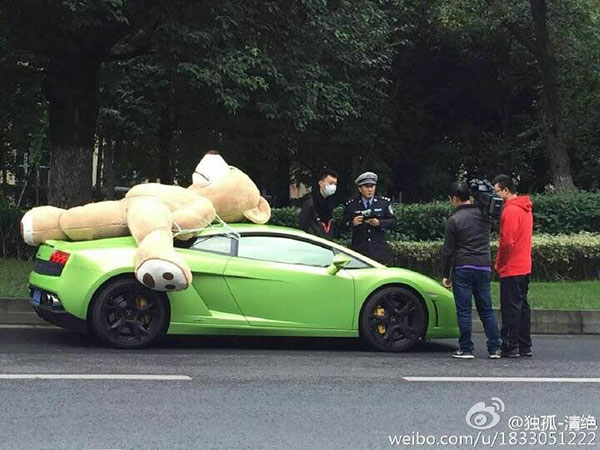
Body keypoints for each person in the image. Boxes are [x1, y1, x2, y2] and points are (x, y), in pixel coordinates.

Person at [441, 182, 501, 359]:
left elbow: (448, 251)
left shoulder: (454, 220)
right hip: (483, 266)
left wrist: (446, 274)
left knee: (465, 310)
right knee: (486, 309)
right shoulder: (483, 215)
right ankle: (495, 347)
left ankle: (466, 348)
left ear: (455, 199)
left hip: (463, 267)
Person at [493, 174, 534, 358]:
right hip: (524, 264)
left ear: (506, 190)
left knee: (510, 307)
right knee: (522, 305)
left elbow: (507, 242)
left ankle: (510, 345)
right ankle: (525, 344)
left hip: (511, 266)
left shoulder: (510, 211)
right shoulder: (525, 208)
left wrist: (499, 262)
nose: (496, 196)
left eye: (497, 191)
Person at [342, 171, 396, 264]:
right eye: (366, 187)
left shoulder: (383, 203)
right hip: (359, 252)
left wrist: (379, 223)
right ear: (360, 188)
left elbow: (393, 221)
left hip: (378, 251)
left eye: (372, 186)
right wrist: (352, 223)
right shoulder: (352, 205)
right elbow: (343, 224)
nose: (370, 190)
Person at [299, 169, 339, 239]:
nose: (333, 187)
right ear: (321, 183)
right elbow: (303, 225)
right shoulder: (310, 202)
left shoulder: (330, 202)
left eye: (335, 184)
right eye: (330, 183)